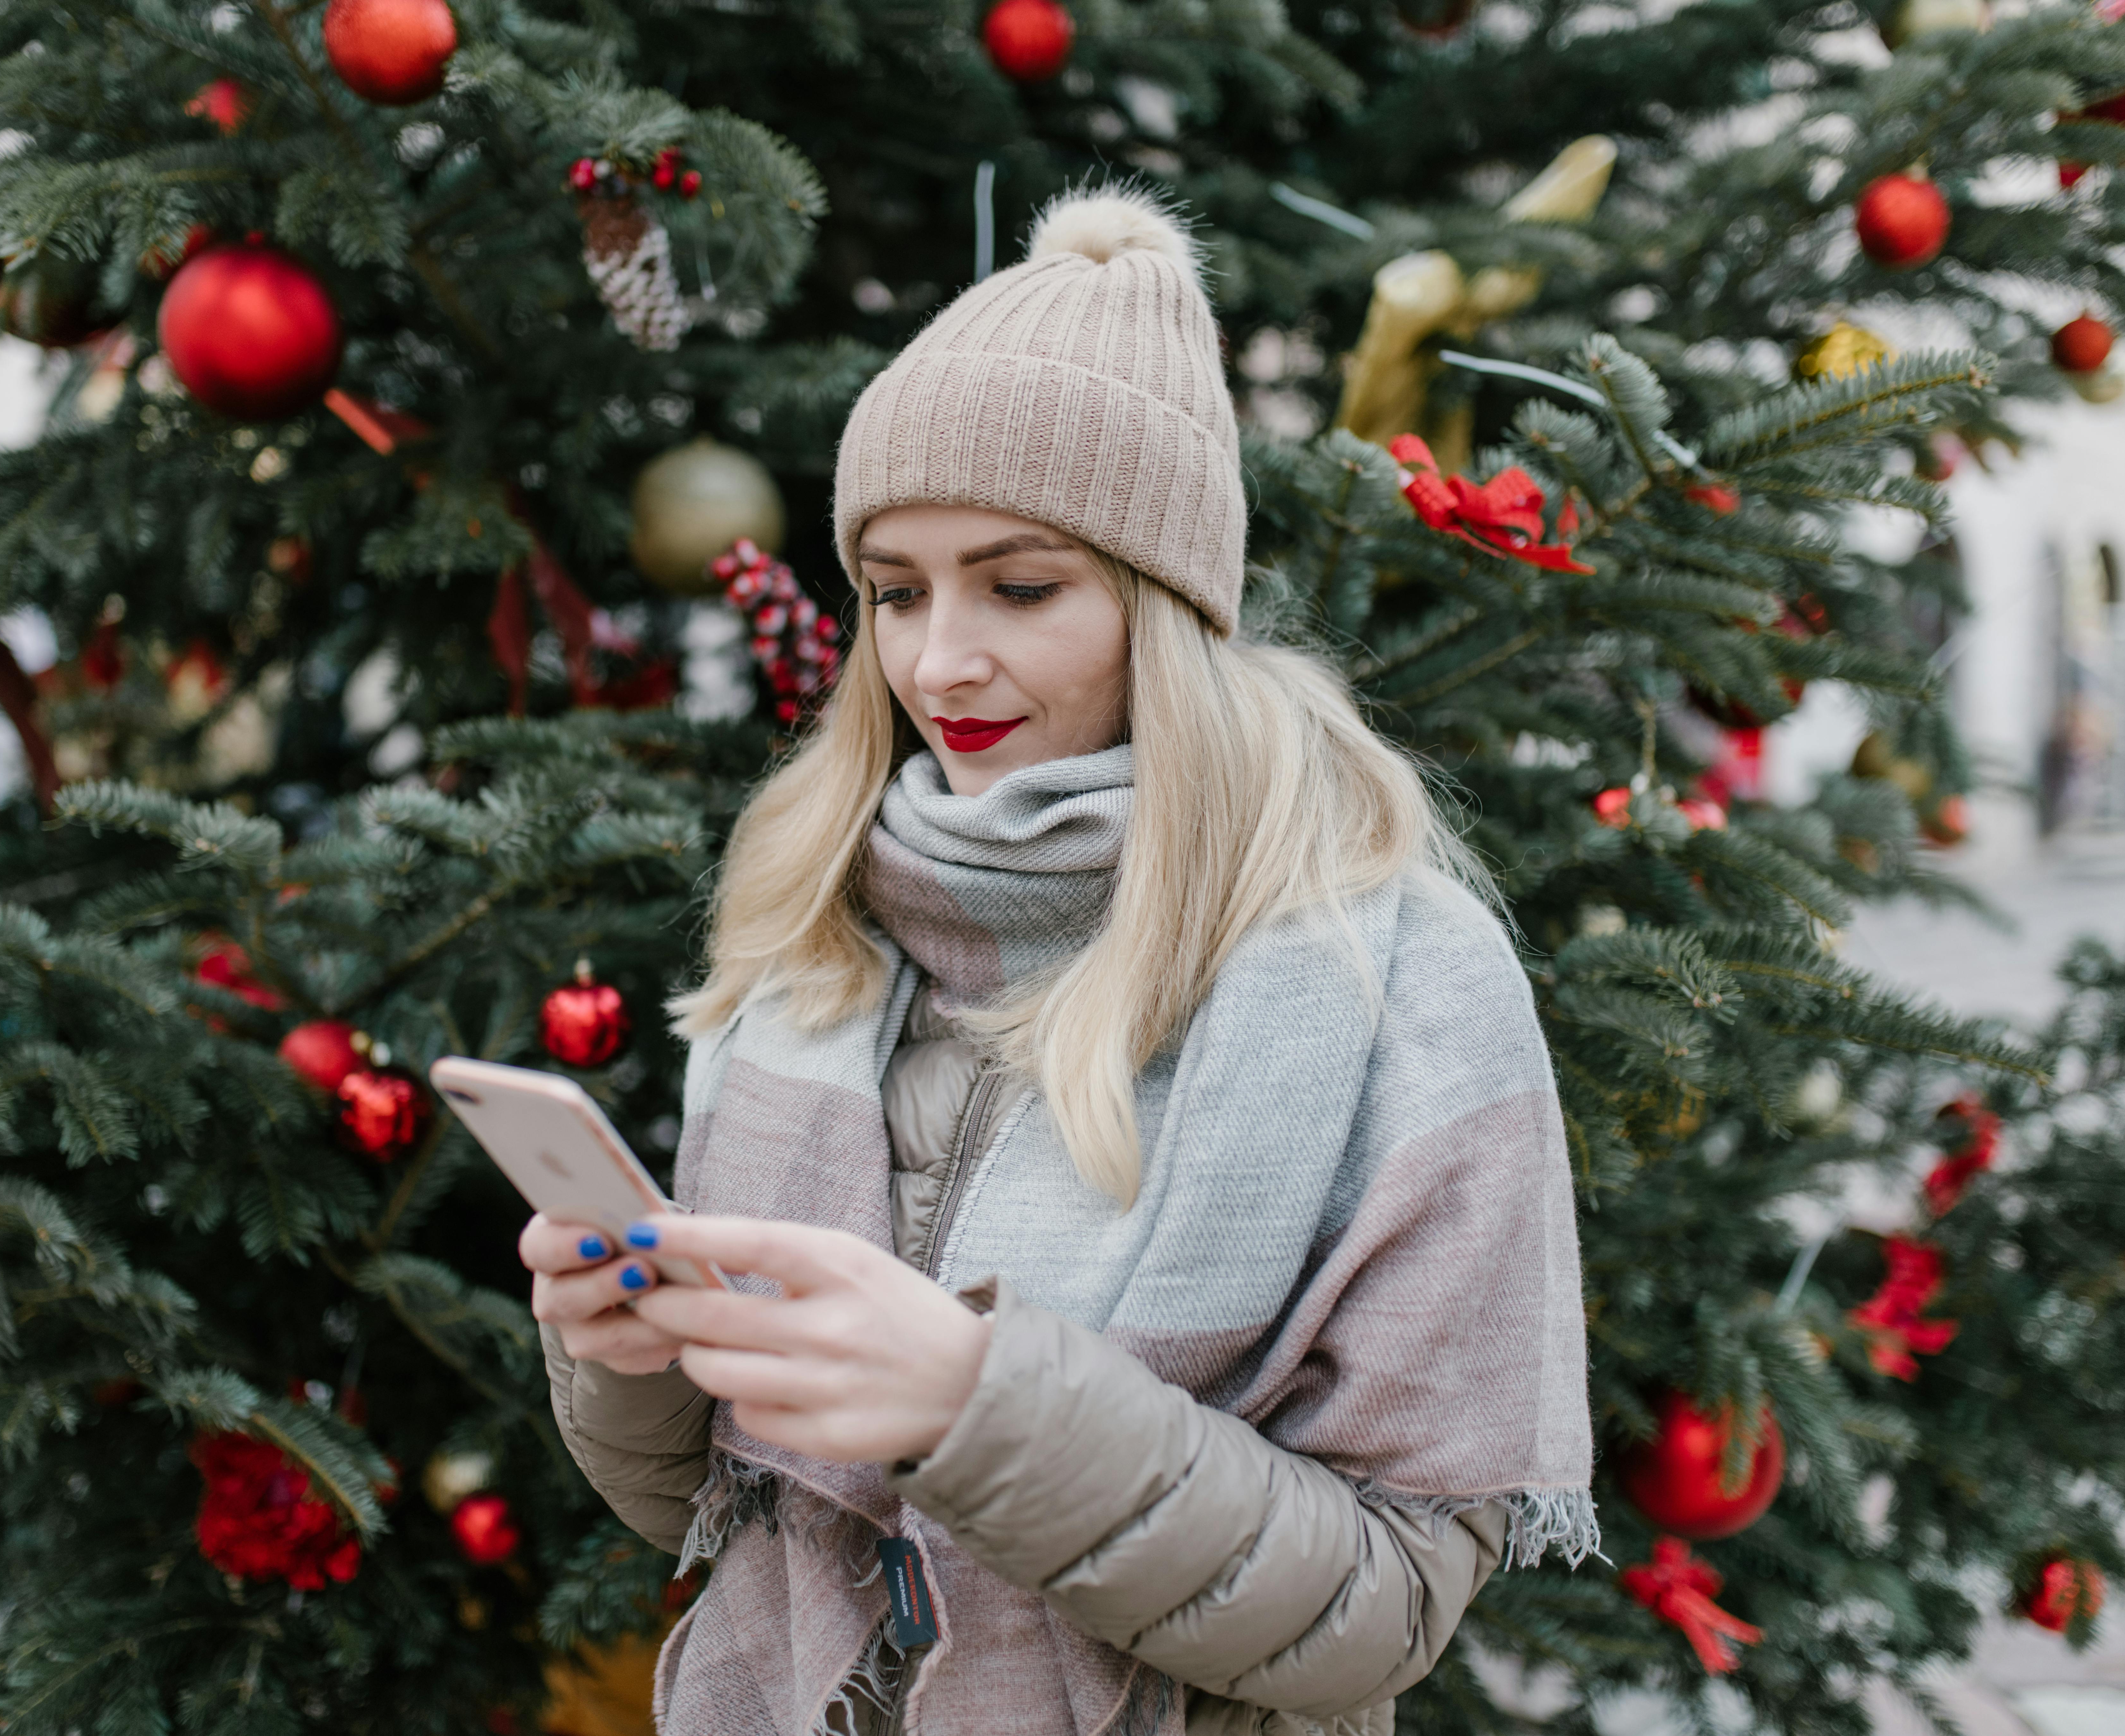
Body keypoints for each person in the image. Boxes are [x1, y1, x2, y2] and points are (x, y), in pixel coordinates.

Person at [523, 187, 1595, 1736]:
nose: (938, 660)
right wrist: (624, 1360)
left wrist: (979, 1408)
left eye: (1020, 587)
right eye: (895, 591)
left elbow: (1388, 1599)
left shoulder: (1394, 980)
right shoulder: (812, 921)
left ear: (1162, 607)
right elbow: (694, 1502)